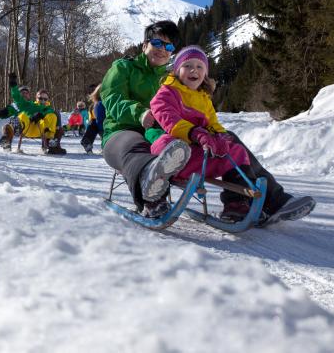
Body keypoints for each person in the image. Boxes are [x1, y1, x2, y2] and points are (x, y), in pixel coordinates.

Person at [147, 46, 316, 225]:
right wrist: (196, 133)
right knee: (172, 145)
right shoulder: (167, 92)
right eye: (187, 65)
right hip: (173, 150)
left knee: (235, 150)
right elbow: (168, 118)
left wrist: (220, 137)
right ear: (176, 70)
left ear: (205, 73)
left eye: (199, 66)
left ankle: (237, 205)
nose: (193, 70)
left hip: (198, 155)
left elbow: (213, 124)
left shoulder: (203, 98)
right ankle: (275, 200)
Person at [100, 20, 192, 218]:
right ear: (144, 45)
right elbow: (112, 99)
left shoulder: (171, 80)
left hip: (158, 133)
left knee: (221, 140)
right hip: (121, 132)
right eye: (157, 43)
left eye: (168, 46)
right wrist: (139, 112)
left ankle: (259, 195)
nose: (162, 50)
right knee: (137, 145)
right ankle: (152, 196)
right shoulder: (123, 68)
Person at [0, 78, 66, 155]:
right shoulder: (16, 106)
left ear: (29, 95)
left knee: (52, 115)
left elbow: (47, 111)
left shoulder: (32, 104)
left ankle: (51, 143)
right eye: (22, 93)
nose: (24, 94)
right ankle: (6, 142)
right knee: (8, 126)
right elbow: (7, 111)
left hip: (37, 128)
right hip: (22, 128)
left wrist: (40, 114)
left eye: (26, 93)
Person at [80, 84, 105, 154]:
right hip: (97, 124)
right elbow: (91, 118)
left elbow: (100, 118)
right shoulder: (92, 105)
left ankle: (105, 145)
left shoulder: (100, 103)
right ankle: (87, 142)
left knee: (96, 124)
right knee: (93, 124)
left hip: (104, 124)